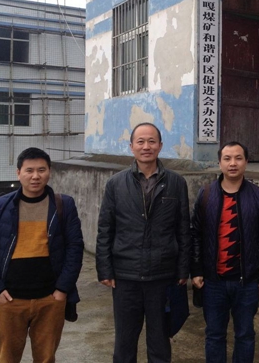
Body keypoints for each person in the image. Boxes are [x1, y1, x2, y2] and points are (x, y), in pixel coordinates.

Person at [96, 122, 191, 363]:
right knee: (125, 342)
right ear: (131, 147)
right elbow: (106, 229)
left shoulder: (176, 183)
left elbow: (183, 229)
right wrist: (105, 269)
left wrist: (183, 269)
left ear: (160, 145)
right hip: (126, 275)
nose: (146, 146)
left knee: (159, 342)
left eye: (151, 141)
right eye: (140, 141)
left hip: (162, 275)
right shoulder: (116, 184)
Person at [0, 147, 84, 363]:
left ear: (49, 171)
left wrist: (62, 290)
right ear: (18, 173)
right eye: (29, 170)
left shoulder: (63, 205)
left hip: (49, 299)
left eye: (41, 170)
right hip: (10, 300)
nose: (35, 176)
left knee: (46, 358)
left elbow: (75, 248)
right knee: (7, 358)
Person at [191, 141, 259, 363]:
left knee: (245, 335)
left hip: (246, 282)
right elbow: (196, 235)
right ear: (219, 163)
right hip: (213, 282)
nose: (232, 163)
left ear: (246, 162)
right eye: (227, 158)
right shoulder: (206, 194)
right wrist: (196, 269)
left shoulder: (258, 197)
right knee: (214, 335)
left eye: (238, 158)